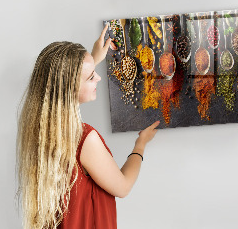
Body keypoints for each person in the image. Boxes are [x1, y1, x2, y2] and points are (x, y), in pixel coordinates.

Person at [16, 24, 160, 229]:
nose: (99, 78)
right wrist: (140, 144)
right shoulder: (84, 139)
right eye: (92, 76)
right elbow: (123, 187)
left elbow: (67, 80)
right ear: (70, 88)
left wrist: (93, 58)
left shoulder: (39, 128)